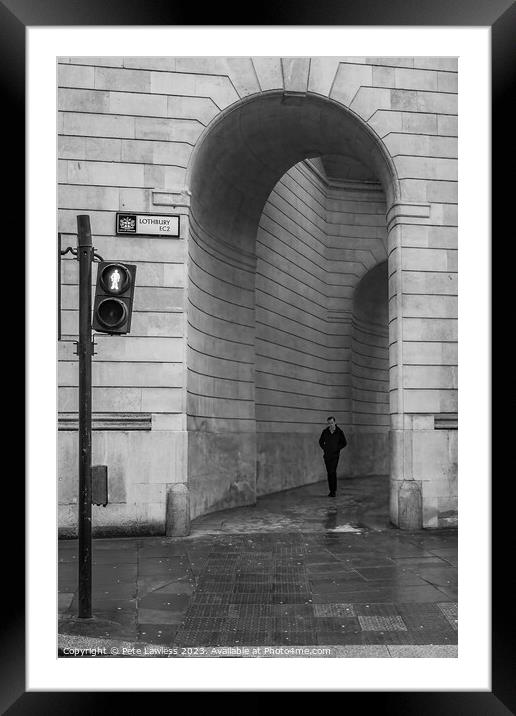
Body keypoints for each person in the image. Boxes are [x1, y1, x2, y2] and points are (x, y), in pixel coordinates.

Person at [318, 416, 347, 497]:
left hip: (335, 456)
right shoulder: (325, 431)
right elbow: (320, 441)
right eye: (329, 423)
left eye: (332, 423)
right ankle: (331, 491)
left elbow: (344, 443)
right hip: (327, 455)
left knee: (332, 472)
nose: (330, 424)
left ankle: (333, 491)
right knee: (329, 473)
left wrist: (337, 449)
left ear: (335, 422)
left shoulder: (339, 432)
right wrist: (325, 449)